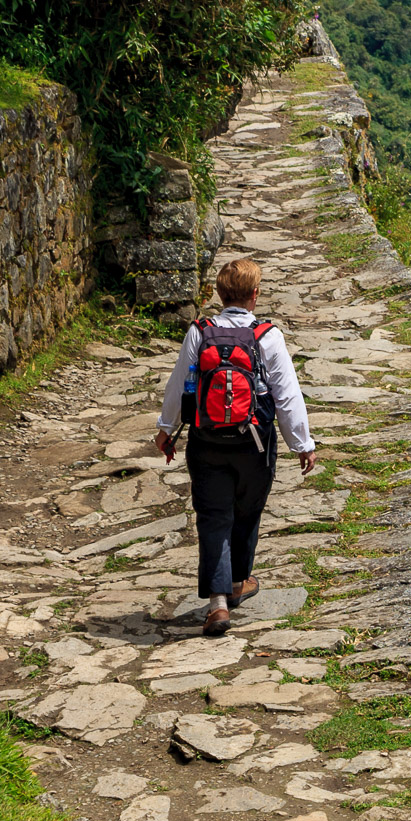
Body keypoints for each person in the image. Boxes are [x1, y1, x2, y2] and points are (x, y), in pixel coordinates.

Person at [154, 258, 316, 636]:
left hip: (206, 440)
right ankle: (240, 579)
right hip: (255, 443)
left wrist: (166, 429)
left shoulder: (200, 331)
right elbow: (287, 396)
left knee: (213, 516)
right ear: (255, 295)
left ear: (219, 294)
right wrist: (302, 444)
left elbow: (180, 384)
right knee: (247, 510)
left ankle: (217, 604)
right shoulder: (267, 336)